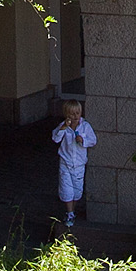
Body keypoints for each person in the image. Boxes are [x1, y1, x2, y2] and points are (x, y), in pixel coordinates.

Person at [51, 97, 96, 231]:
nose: (75, 116)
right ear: (66, 114)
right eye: (72, 114)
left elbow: (93, 140)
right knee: (66, 188)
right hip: (66, 162)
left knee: (77, 190)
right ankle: (69, 213)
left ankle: (72, 210)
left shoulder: (85, 126)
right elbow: (55, 138)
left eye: (77, 113)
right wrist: (64, 128)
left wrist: (83, 140)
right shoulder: (63, 127)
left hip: (79, 164)